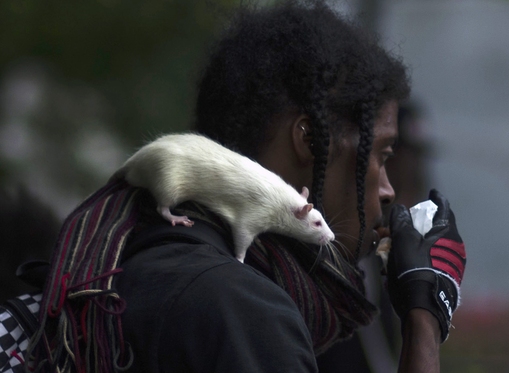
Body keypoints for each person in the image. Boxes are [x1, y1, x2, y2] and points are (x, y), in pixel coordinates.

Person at [26, 2, 466, 372]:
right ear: (310, 140)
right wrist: (425, 320)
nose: (388, 191)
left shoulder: (138, 247)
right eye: (381, 155)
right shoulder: (242, 313)